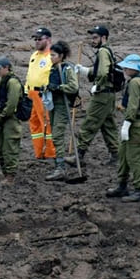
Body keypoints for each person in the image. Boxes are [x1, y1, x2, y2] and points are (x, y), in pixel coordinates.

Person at [69, 25, 120, 168]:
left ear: (104, 38)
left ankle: (79, 156)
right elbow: (102, 70)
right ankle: (116, 155)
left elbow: (103, 73)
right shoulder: (108, 51)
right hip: (109, 96)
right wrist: (85, 71)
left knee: (89, 123)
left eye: (95, 37)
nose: (93, 40)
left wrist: (99, 85)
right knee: (108, 126)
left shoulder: (103, 51)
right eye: (92, 37)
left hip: (102, 95)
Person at [106, 54, 140, 202]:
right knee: (124, 154)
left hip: (136, 124)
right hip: (136, 122)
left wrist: (127, 122)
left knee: (134, 157)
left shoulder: (135, 83)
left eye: (127, 67)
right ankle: (122, 185)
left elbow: (133, 106)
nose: (124, 69)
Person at [44, 40, 80, 182]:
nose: (51, 57)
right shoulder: (52, 69)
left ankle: (60, 168)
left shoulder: (67, 69)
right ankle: (58, 165)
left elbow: (73, 87)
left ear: (61, 56)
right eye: (50, 55)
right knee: (54, 134)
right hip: (53, 104)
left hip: (62, 105)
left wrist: (59, 88)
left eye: (53, 55)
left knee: (58, 135)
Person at [0, 56, 24, 184]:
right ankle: (6, 174)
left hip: (11, 120)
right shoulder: (4, 81)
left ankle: (10, 176)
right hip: (4, 119)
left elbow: (11, 105)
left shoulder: (13, 82)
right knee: (1, 148)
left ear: (6, 68)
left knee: (9, 148)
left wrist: (0, 117)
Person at [25, 27, 56, 161]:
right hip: (31, 94)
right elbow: (30, 74)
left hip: (43, 95)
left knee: (46, 123)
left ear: (48, 40)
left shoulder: (52, 56)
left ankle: (50, 152)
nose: (37, 42)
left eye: (40, 39)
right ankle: (39, 152)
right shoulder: (34, 55)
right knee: (34, 123)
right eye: (35, 39)